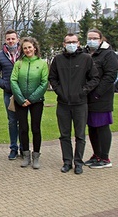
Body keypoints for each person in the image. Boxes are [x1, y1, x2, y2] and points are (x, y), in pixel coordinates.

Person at [49, 33, 99, 174]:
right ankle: (67, 161)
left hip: (80, 103)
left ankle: (78, 162)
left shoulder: (86, 59)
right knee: (64, 135)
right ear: (64, 44)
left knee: (80, 135)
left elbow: (94, 78)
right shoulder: (58, 60)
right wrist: (60, 91)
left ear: (78, 43)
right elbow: (52, 78)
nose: (71, 44)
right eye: (68, 42)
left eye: (74, 41)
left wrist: (83, 91)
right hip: (63, 103)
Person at [10, 37, 48, 169]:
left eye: (29, 47)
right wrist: (20, 98)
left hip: (36, 101)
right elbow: (13, 80)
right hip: (20, 101)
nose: (27, 50)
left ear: (35, 48)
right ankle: (25, 156)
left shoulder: (42, 63)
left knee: (36, 128)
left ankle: (36, 156)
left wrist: (31, 99)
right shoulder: (18, 63)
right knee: (23, 128)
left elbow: (44, 82)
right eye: (25, 48)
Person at [83, 29, 118, 168]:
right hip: (88, 96)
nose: (91, 40)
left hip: (101, 97)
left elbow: (110, 76)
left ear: (100, 39)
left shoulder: (108, 54)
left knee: (102, 126)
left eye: (94, 38)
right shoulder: (86, 53)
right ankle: (96, 154)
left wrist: (98, 93)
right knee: (92, 126)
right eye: (89, 37)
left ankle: (105, 158)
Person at [0, 29, 21, 160]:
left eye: (13, 38)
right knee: (12, 121)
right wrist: (4, 84)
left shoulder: (24, 53)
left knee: (23, 121)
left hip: (23, 93)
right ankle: (13, 148)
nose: (11, 41)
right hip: (9, 94)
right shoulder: (0, 56)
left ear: (17, 39)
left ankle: (24, 147)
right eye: (8, 39)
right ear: (5, 40)